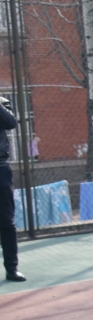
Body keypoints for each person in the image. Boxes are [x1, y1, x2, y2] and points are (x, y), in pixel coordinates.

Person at [0, 96, 22, 282]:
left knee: (6, 221)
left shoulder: (2, 102)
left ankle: (12, 268)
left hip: (0, 169)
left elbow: (11, 123)